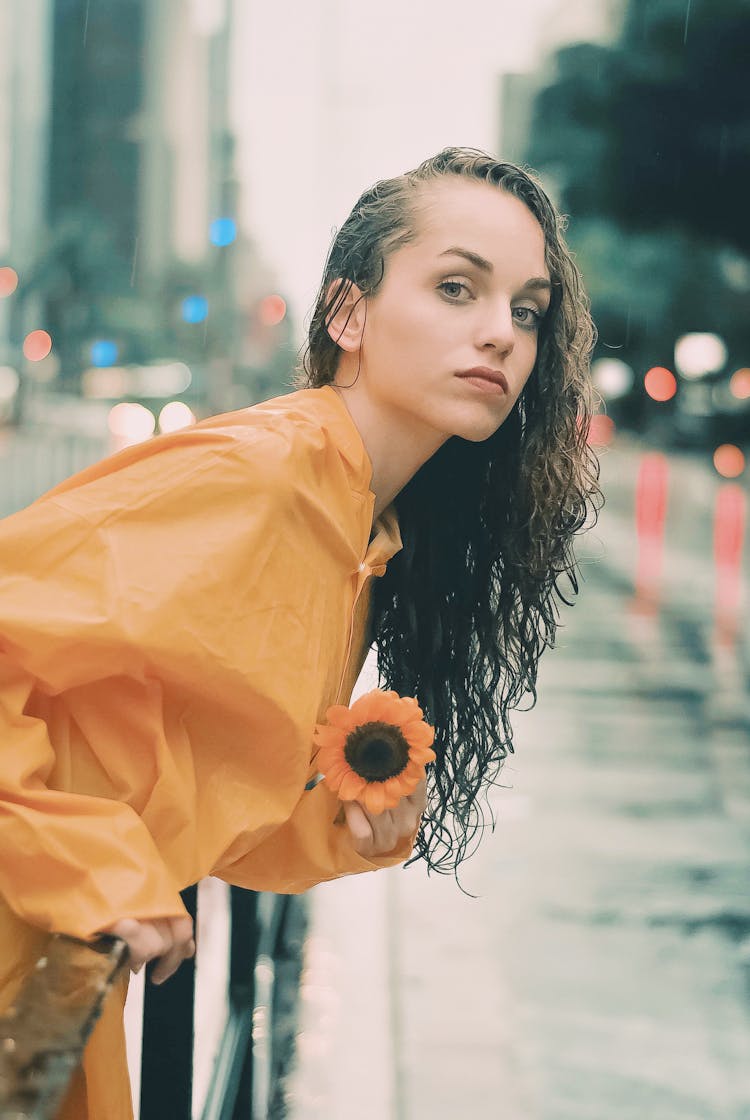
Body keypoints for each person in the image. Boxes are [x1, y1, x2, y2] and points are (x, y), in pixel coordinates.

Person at [0, 146, 600, 1119]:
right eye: (458, 288)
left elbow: (199, 783)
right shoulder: (265, 475)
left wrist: (345, 826)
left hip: (62, 976)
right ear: (347, 314)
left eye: (526, 311)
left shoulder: (361, 533)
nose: (500, 333)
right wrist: (87, 867)